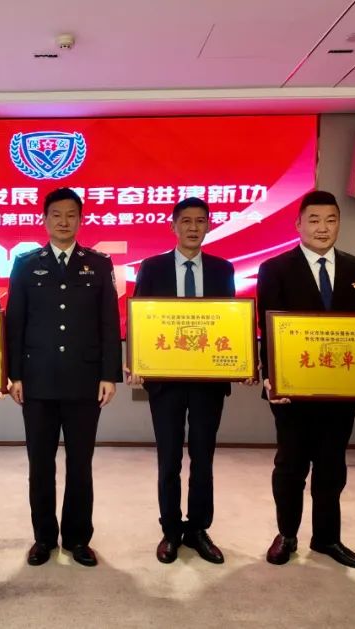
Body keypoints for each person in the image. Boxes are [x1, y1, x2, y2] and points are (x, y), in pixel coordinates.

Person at [256, 190, 355, 569]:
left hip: (341, 391)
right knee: (290, 466)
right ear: (298, 225)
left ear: (339, 223)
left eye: (331, 220)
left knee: (332, 467)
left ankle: (327, 538)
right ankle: (286, 535)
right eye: (314, 220)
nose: (323, 228)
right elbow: (267, 328)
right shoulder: (275, 268)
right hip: (292, 391)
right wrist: (270, 378)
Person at [127, 197, 250, 564]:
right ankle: (170, 529)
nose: (193, 227)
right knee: (169, 458)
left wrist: (243, 362)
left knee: (203, 457)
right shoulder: (152, 267)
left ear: (209, 226)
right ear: (173, 226)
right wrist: (135, 361)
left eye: (200, 221)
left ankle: (198, 528)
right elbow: (140, 318)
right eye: (186, 221)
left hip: (208, 383)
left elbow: (231, 320)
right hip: (165, 382)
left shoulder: (222, 269)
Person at [6, 187, 122, 567]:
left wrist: (109, 374)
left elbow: (109, 322)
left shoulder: (98, 264)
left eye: (71, 214)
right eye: (56, 214)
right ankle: (43, 538)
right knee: (40, 465)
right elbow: (15, 322)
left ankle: (77, 538)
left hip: (84, 380)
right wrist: (14, 374)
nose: (63, 221)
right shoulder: (26, 264)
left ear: (81, 219)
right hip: (37, 381)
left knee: (80, 465)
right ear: (44, 220)